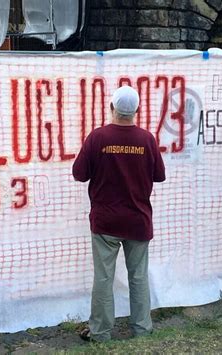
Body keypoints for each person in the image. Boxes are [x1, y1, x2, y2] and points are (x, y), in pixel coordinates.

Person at [72, 85, 166, 341]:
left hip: (105, 221)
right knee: (138, 277)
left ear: (111, 107)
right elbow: (160, 175)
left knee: (103, 278)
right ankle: (141, 329)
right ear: (137, 110)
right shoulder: (147, 139)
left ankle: (100, 332)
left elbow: (79, 174)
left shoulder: (97, 138)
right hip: (138, 220)